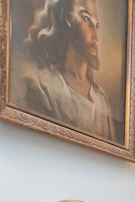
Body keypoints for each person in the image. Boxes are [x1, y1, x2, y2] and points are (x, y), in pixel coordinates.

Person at [20, 0, 115, 141]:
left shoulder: (100, 99)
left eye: (97, 25)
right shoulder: (40, 87)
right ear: (67, 20)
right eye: (86, 19)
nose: (96, 36)